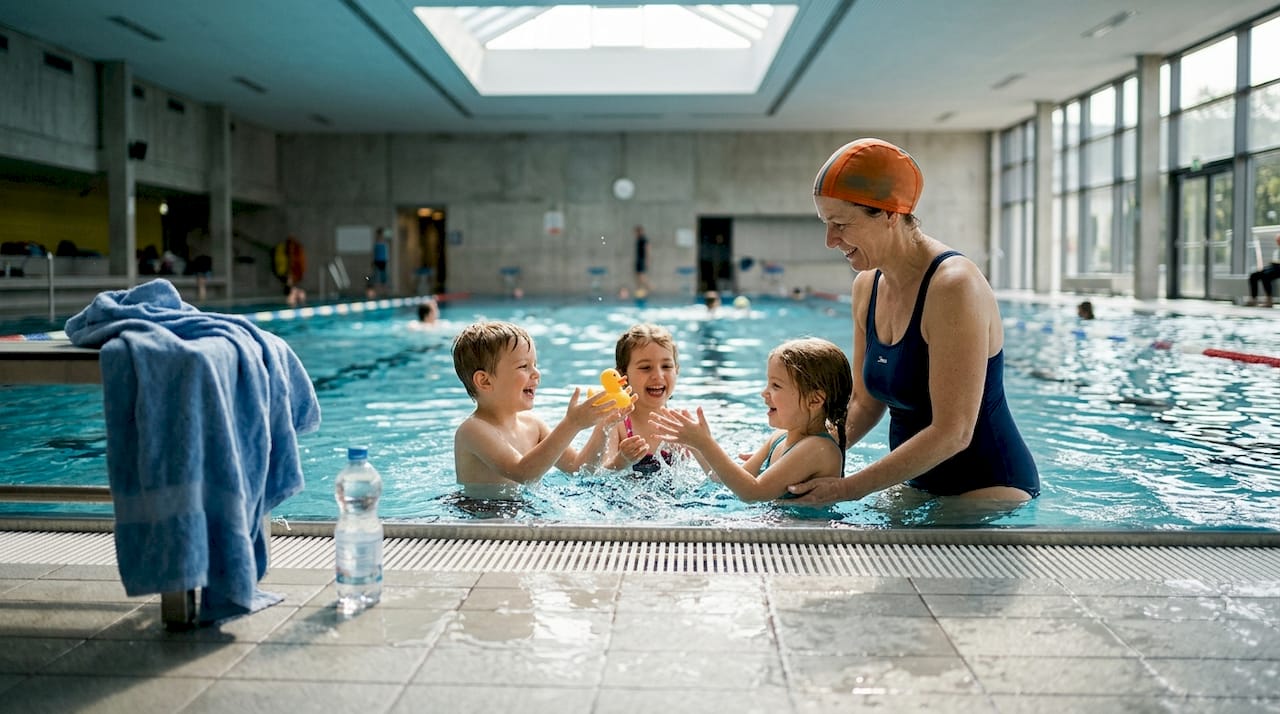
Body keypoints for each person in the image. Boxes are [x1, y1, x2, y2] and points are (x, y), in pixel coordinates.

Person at [789, 137, 1039, 506]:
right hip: (918, 485)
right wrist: (787, 456)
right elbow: (863, 403)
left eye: (840, 224)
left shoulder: (954, 287)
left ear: (890, 213)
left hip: (989, 487)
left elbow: (954, 432)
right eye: (827, 224)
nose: (830, 240)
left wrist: (847, 488)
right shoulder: (866, 286)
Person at [648, 337, 851, 502]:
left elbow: (753, 493)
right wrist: (696, 446)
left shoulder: (817, 449)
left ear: (815, 399)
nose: (764, 393)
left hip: (804, 542)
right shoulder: (779, 438)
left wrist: (706, 443)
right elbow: (724, 480)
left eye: (776, 386)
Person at [451, 321, 625, 499]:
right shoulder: (473, 430)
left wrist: (603, 426)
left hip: (520, 511)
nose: (536, 373)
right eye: (523, 366)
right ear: (485, 381)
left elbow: (579, 469)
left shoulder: (533, 425)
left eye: (535, 364)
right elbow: (524, 474)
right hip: (480, 518)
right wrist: (573, 423)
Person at [600, 324, 684, 474]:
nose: (658, 375)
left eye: (666, 366)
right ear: (622, 375)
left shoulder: (681, 424)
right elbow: (597, 475)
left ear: (676, 370)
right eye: (645, 367)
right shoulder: (616, 423)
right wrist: (621, 461)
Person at [1246, 233, 1280, 307]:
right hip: (1275, 267)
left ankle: (1269, 300)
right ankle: (1253, 298)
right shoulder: (1277, 251)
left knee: (1266, 275)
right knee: (1254, 275)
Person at [273, 235, 307, 307]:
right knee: (300, 295)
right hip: (290, 295)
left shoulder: (293, 286)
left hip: (290, 290)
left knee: (301, 294)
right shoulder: (291, 296)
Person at [369, 227, 390, 298]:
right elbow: (374, 253)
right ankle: (376, 293)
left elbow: (386, 253)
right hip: (377, 261)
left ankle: (384, 293)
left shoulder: (384, 243)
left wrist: (386, 260)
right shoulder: (376, 243)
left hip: (383, 261)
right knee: (377, 277)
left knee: (383, 278)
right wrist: (373, 261)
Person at [633, 225, 651, 292]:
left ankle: (650, 287)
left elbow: (647, 249)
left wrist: (647, 260)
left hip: (642, 260)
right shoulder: (638, 239)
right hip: (639, 259)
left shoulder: (644, 239)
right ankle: (640, 289)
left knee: (641, 276)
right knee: (638, 276)